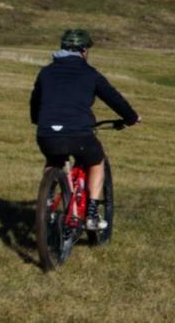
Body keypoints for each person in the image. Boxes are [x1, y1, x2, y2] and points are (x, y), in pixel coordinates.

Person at [30, 29, 141, 231]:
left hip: (46, 133)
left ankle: (46, 202)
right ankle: (91, 215)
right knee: (96, 161)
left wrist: (38, 120)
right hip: (79, 133)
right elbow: (113, 98)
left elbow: (35, 101)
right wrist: (131, 117)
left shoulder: (45, 72)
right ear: (83, 50)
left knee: (53, 159)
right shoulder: (90, 73)